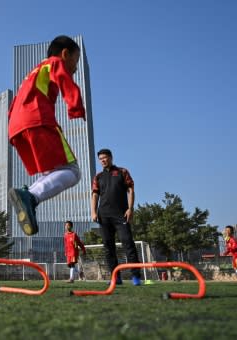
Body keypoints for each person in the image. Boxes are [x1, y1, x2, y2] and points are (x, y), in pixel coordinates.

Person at [8, 35, 86, 236]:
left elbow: (17, 101)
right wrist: (76, 106)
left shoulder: (31, 73)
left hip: (16, 127)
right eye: (75, 62)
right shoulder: (55, 62)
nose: (75, 68)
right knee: (72, 171)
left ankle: (27, 196)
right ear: (65, 54)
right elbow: (64, 78)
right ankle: (31, 196)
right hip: (38, 120)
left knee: (51, 172)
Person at [91, 148, 141, 286]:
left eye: (105, 158)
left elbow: (130, 190)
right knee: (108, 247)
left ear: (111, 157)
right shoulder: (98, 177)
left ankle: (136, 277)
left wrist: (130, 209)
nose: (103, 160)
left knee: (128, 243)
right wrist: (93, 212)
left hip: (121, 215)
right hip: (104, 216)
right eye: (100, 159)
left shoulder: (122, 172)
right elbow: (95, 194)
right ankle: (115, 277)